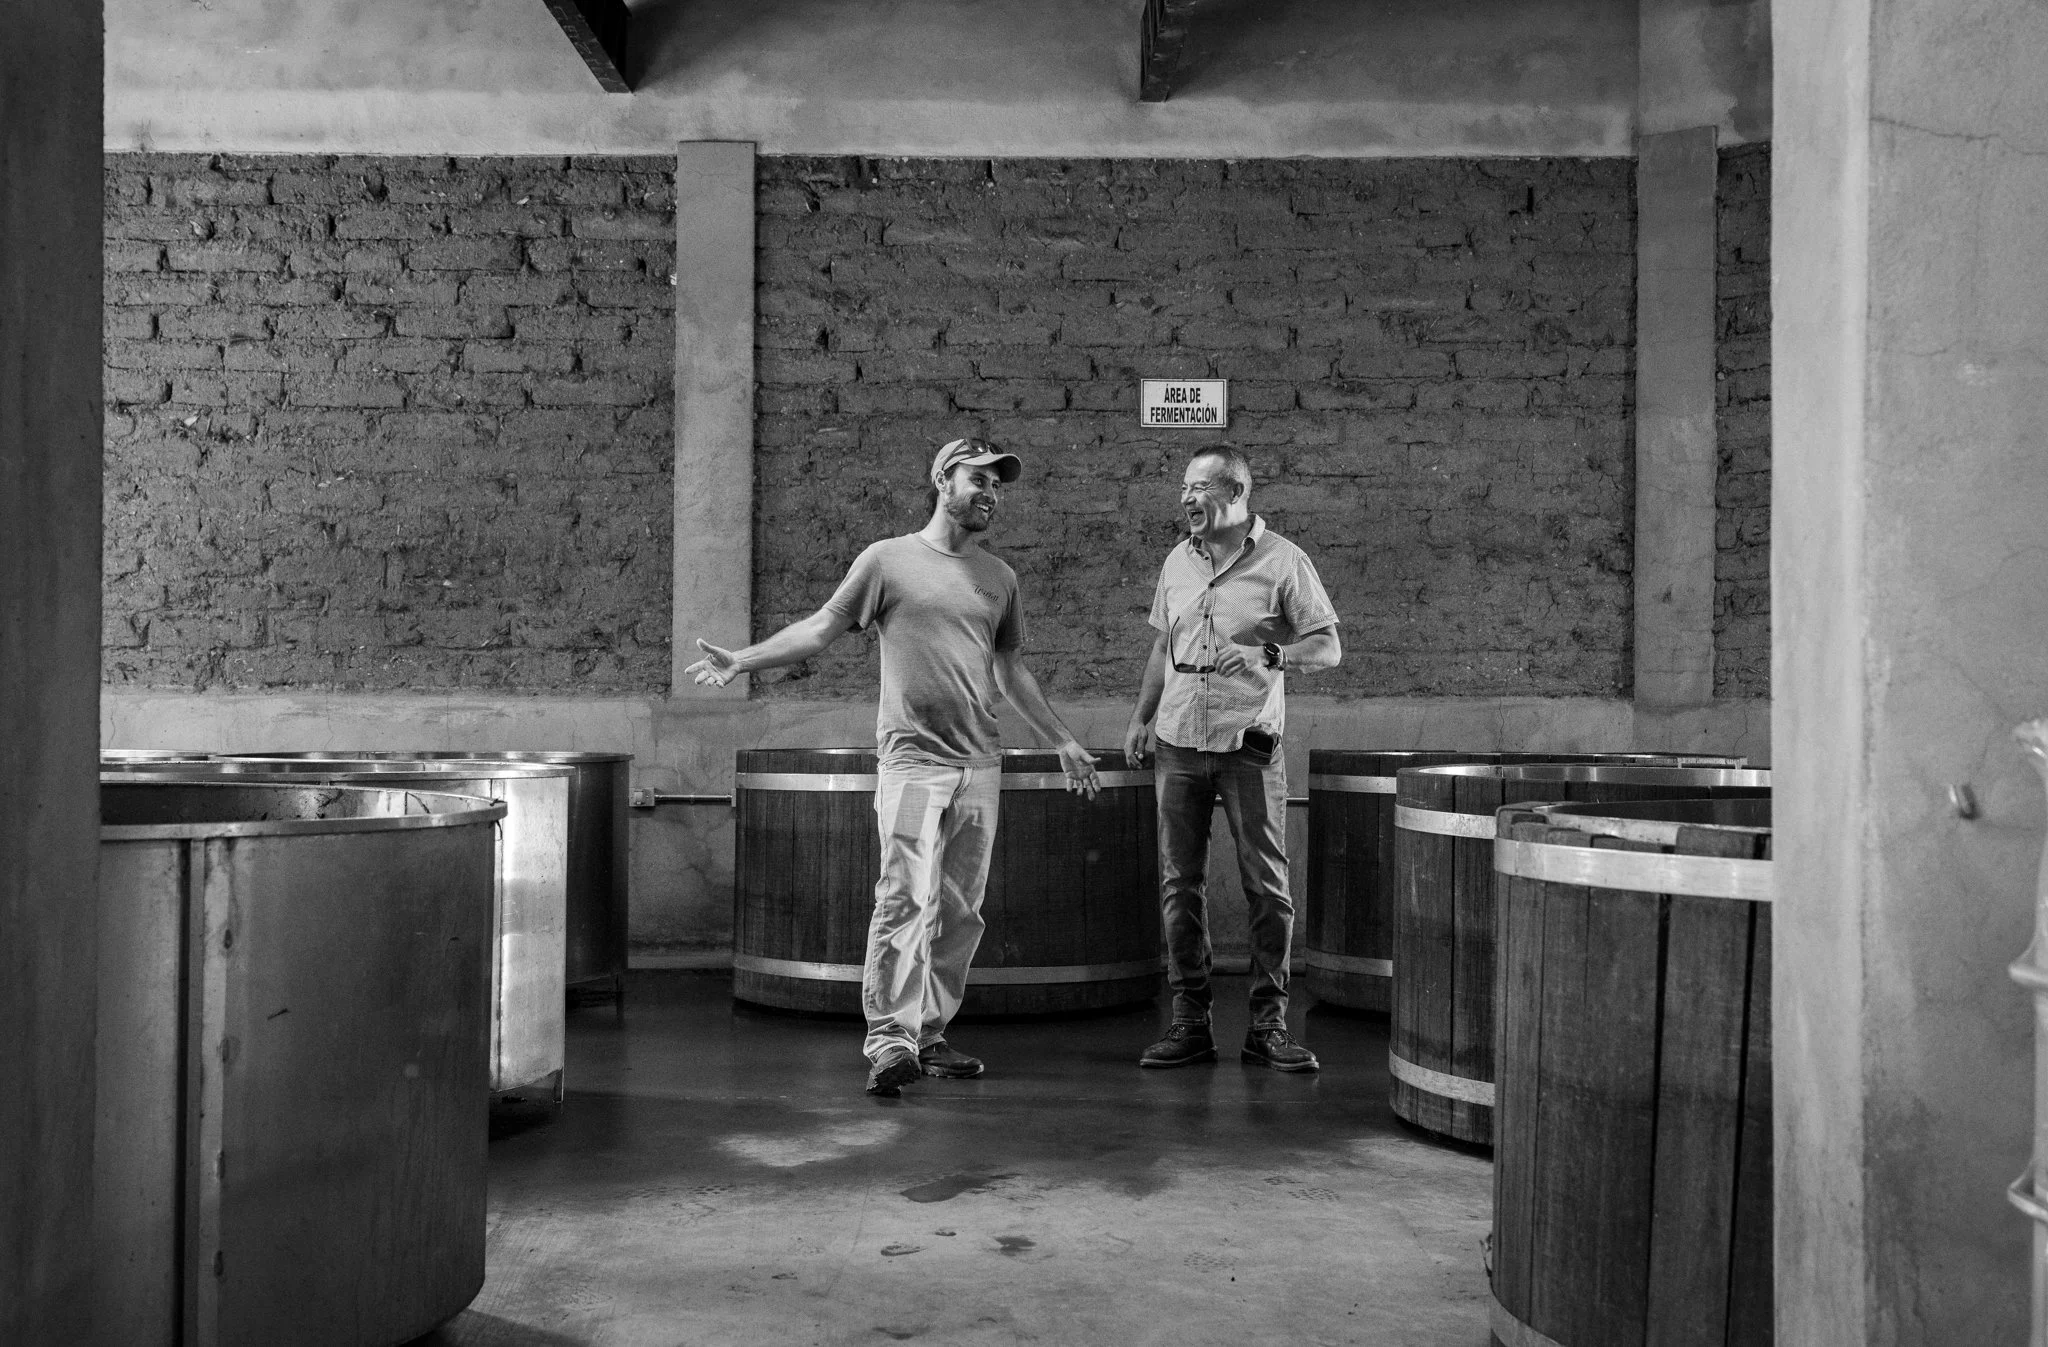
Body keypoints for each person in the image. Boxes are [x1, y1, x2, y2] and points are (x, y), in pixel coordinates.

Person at [686, 437, 1100, 1097]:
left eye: (999, 485)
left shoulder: (999, 578)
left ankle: (929, 1033)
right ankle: (889, 1044)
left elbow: (1010, 668)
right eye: (978, 480)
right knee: (905, 896)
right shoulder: (887, 560)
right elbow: (822, 627)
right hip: (912, 764)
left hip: (977, 766)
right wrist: (743, 659)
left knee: (961, 910)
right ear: (942, 479)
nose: (991, 493)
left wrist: (1062, 739)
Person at [1123, 446, 1340, 1073]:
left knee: (1267, 888)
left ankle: (1267, 1027)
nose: (1186, 498)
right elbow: (1163, 647)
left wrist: (1271, 654)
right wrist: (1140, 717)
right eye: (1183, 487)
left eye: (1198, 487)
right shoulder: (1176, 561)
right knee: (1178, 885)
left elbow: (1328, 647)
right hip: (1178, 742)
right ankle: (1190, 1022)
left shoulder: (1284, 561)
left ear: (1235, 492)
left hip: (1249, 747)